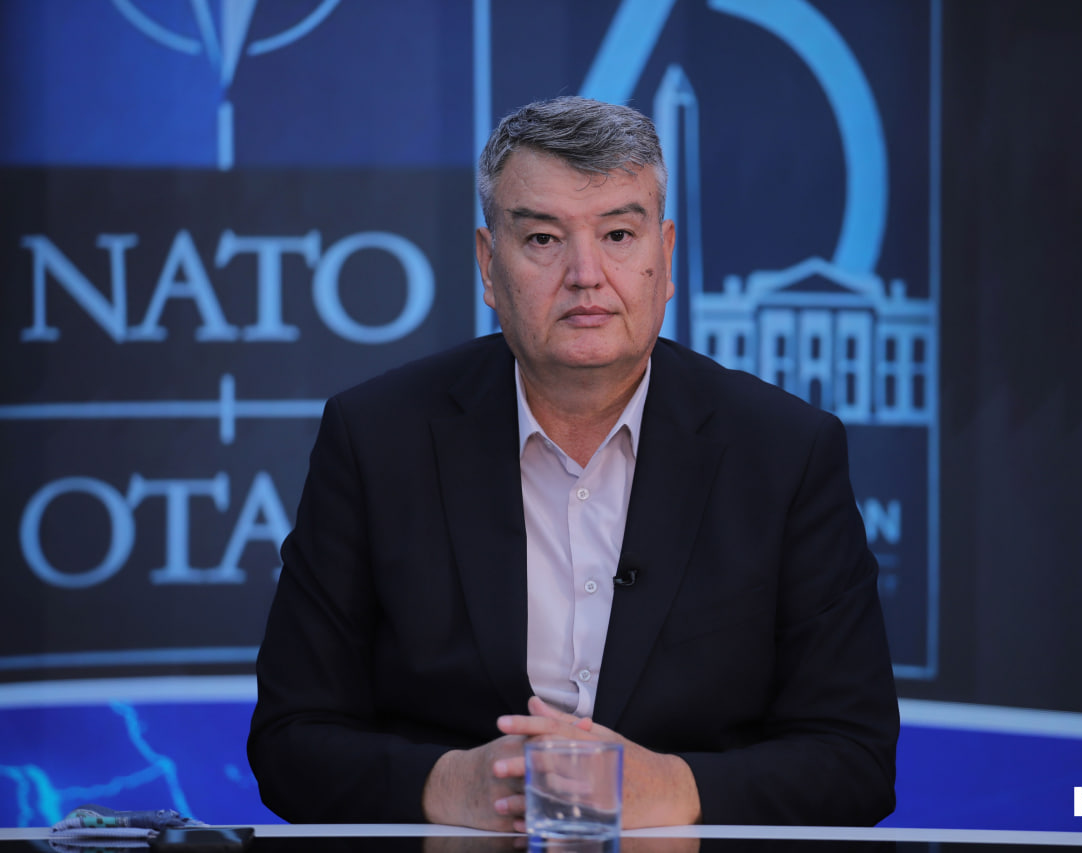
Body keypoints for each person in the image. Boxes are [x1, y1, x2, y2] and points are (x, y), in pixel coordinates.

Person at [247, 96, 898, 830]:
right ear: (489, 266)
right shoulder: (375, 439)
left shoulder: (785, 452)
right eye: (544, 239)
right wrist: (450, 786)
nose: (586, 274)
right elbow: (289, 739)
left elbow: (856, 759)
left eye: (618, 234)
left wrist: (672, 790)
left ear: (665, 257)